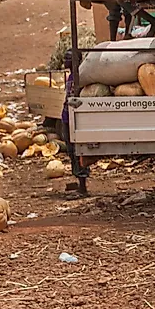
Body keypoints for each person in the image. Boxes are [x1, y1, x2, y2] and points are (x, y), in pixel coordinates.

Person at [61, 50, 89, 199]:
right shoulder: (72, 77)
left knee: (77, 151)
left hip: (73, 119)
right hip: (67, 118)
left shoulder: (80, 78)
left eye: (69, 58)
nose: (65, 60)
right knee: (72, 152)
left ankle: (83, 186)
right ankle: (80, 183)